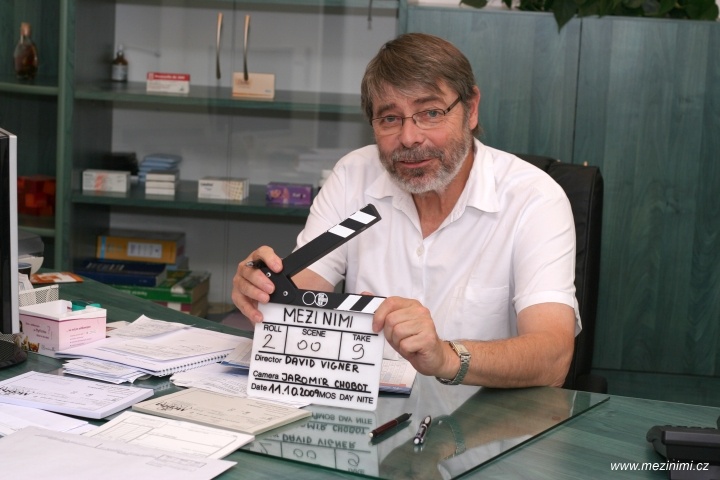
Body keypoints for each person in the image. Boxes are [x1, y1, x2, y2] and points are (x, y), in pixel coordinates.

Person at [232, 33, 579, 388]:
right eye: (390, 118)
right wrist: (264, 289)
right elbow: (293, 306)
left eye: (431, 113)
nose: (410, 137)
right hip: (365, 404)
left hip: (480, 411)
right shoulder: (353, 175)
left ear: (471, 109)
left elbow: (553, 358)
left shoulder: (535, 199)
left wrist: (445, 357)